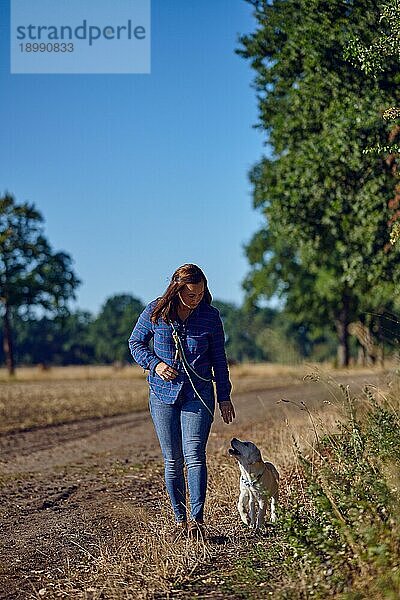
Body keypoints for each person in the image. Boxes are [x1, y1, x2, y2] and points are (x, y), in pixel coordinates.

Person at [128, 263, 235, 539]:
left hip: (198, 396)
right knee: (173, 461)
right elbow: (135, 343)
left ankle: (198, 522)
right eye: (190, 294)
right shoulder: (156, 311)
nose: (195, 299)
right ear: (176, 289)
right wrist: (155, 364)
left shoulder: (211, 317)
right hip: (163, 395)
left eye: (199, 294)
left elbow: (220, 361)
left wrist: (224, 396)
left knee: (195, 456)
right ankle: (180, 521)